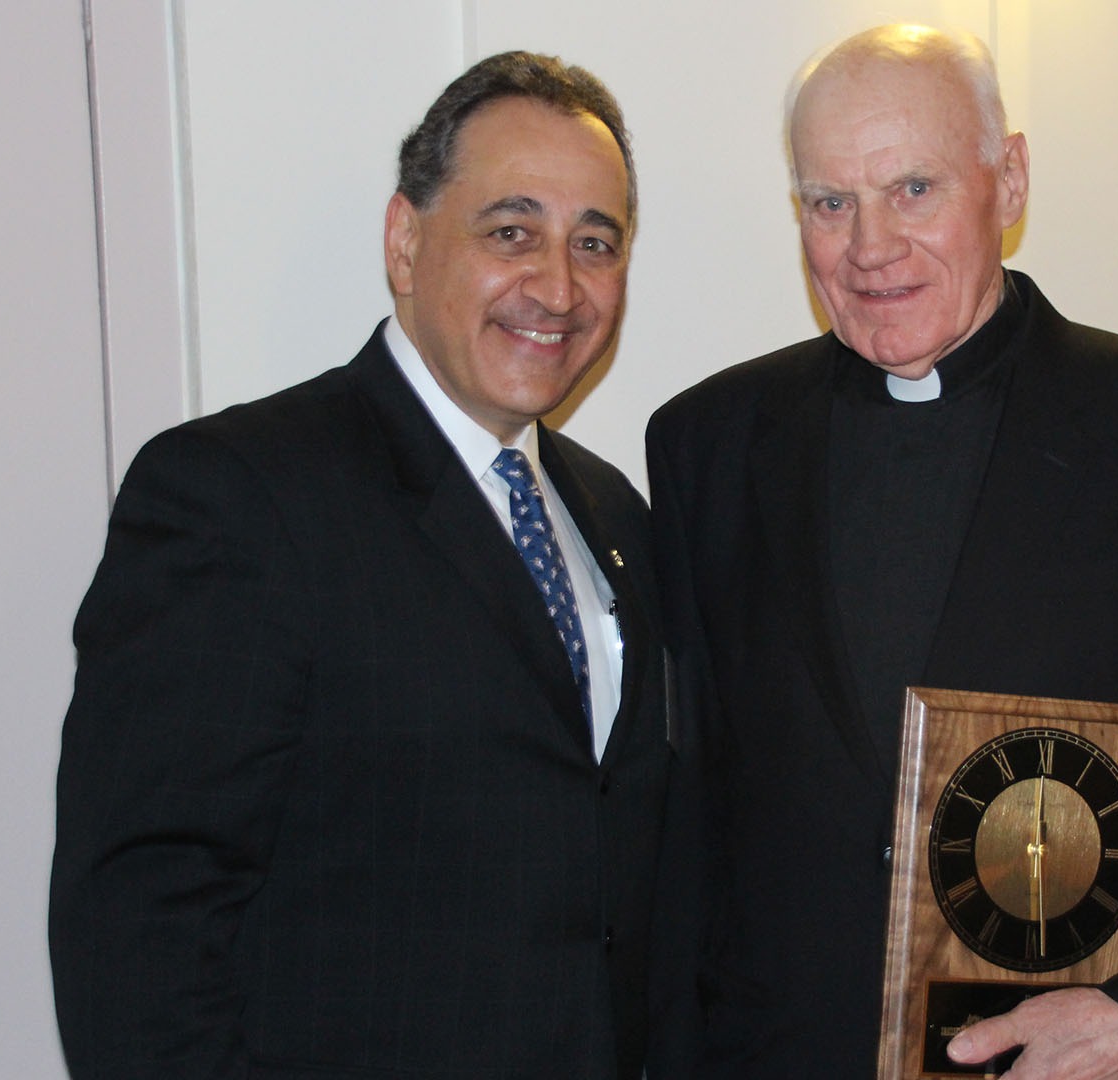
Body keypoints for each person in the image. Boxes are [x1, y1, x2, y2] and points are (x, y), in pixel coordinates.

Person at [645, 24, 1118, 1080]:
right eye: (829, 202)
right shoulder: (707, 443)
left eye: (913, 188)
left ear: (1008, 179)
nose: (869, 245)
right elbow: (685, 811)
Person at [50, 52, 680, 1080]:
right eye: (511, 231)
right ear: (405, 239)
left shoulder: (615, 515)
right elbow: (140, 921)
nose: (557, 285)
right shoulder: (238, 496)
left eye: (595, 242)